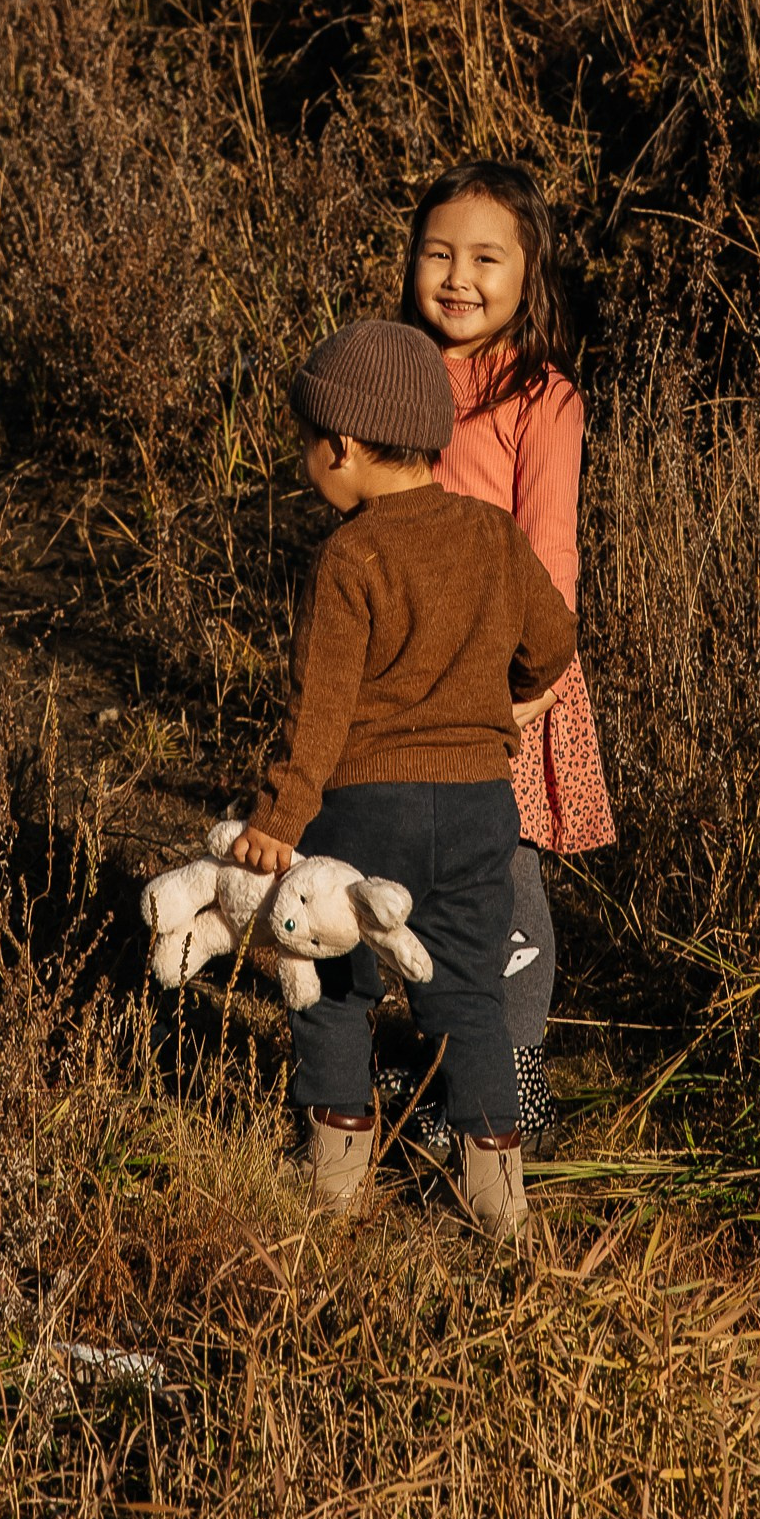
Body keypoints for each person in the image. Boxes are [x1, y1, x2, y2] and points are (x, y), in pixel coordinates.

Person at [225, 315, 577, 1239]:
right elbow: (555, 641)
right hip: (475, 807)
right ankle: (498, 1203)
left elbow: (320, 708)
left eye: (308, 443)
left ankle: (335, 1181)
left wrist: (279, 817)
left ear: (341, 447)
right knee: (467, 993)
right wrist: (513, 698)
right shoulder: (494, 537)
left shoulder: (351, 554)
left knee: (333, 980)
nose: (307, 460)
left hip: (366, 807)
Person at [399, 159, 614, 1142]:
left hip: (504, 679)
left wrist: (522, 690)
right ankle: (425, 1071)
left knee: (502, 885)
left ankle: (509, 1090)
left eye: (486, 256)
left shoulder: (541, 396)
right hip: (399, 673)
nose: (458, 275)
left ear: (529, 273)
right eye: (437, 251)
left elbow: (549, 550)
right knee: (402, 879)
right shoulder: (391, 374)